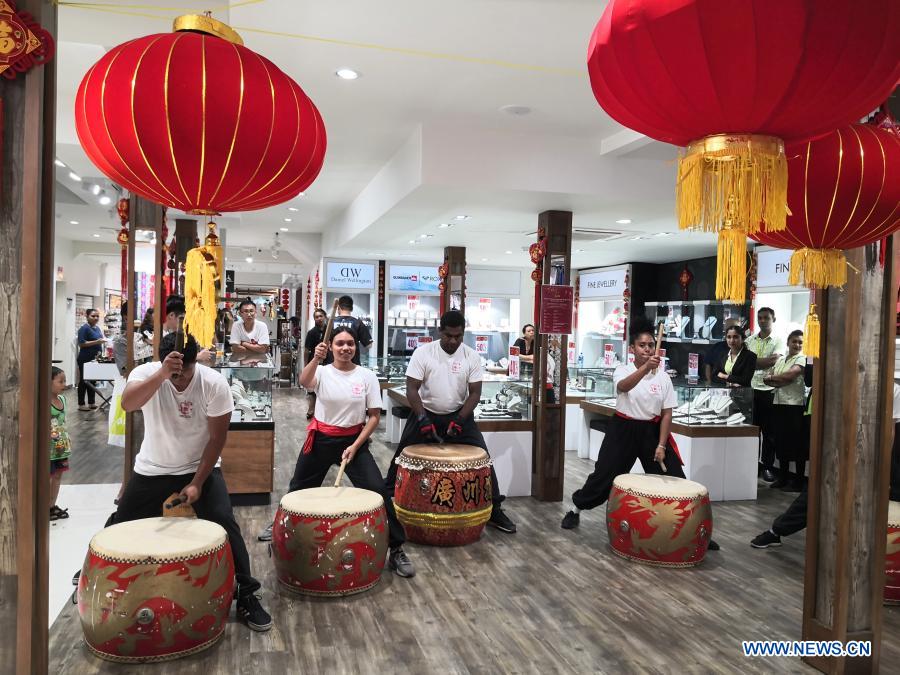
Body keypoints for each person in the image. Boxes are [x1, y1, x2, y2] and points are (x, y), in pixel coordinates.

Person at [109, 332, 272, 632]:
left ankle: (247, 592)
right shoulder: (146, 374)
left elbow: (217, 438)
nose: (180, 380)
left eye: (186, 373)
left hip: (200, 467)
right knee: (122, 522)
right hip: (153, 468)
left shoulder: (213, 383)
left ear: (196, 362)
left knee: (225, 521)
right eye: (174, 373)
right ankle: (104, 581)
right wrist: (161, 374)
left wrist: (198, 481)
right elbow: (129, 404)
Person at [258, 327, 416, 577]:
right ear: (330, 346)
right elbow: (303, 382)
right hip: (320, 439)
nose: (345, 348)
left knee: (378, 490)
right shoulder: (321, 371)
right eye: (340, 343)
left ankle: (396, 548)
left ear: (356, 347)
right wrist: (315, 358)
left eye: (350, 343)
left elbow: (374, 416)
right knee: (297, 487)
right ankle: (279, 525)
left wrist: (355, 446)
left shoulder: (366, 376)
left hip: (354, 441)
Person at [560, 318, 720, 550]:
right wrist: (645, 367)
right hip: (623, 430)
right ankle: (576, 509)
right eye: (642, 345)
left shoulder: (663, 378)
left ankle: (694, 530)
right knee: (604, 477)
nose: (647, 349)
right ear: (632, 349)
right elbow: (623, 387)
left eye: (651, 345)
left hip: (652, 432)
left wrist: (662, 445)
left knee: (674, 478)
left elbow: (666, 414)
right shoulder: (622, 369)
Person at [383, 310, 517, 534]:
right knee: (401, 457)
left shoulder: (471, 356)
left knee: (484, 458)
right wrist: (422, 418)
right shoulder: (423, 353)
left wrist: (460, 420)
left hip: (459, 414)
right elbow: (412, 389)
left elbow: (475, 393)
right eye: (448, 336)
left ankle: (495, 508)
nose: (453, 341)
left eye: (458, 336)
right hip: (425, 412)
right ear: (440, 332)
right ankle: (386, 503)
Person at [764, 330, 806, 491]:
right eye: (794, 341)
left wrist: (776, 380)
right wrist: (777, 380)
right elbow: (768, 377)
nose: (797, 345)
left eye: (800, 342)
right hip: (778, 403)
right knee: (780, 443)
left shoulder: (801, 359)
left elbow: (789, 376)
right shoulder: (781, 360)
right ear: (788, 342)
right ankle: (783, 478)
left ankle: (798, 482)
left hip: (794, 406)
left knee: (796, 444)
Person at [746, 307, 784, 483]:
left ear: (773, 319)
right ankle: (752, 466)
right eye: (760, 318)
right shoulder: (749, 340)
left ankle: (768, 467)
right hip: (751, 391)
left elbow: (773, 361)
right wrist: (758, 363)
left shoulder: (778, 340)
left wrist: (752, 363)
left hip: (770, 391)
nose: (762, 320)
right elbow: (744, 363)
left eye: (766, 318)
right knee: (753, 432)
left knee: (769, 433)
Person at [324, 296, 373, 366]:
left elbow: (324, 343)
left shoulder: (330, 323)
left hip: (333, 364)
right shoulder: (358, 323)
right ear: (352, 308)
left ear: (338, 308)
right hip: (353, 363)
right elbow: (369, 345)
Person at [49, 367, 72, 521]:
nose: (64, 384)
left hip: (61, 447)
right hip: (48, 448)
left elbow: (63, 422)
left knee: (58, 476)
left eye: (64, 381)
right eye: (60, 381)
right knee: (47, 477)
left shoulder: (63, 400)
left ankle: (51, 506)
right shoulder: (44, 402)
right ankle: (42, 506)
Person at [76, 308, 105, 411]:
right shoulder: (84, 329)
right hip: (85, 358)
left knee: (92, 381)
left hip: (95, 359)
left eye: (97, 316)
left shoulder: (97, 328)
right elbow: (82, 343)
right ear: (87, 316)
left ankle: (91, 402)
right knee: (84, 381)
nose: (96, 318)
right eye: (93, 316)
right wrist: (97, 342)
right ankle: (81, 404)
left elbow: (100, 340)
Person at [304, 308, 328, 419]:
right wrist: (305, 365)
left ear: (325, 317)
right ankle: (311, 409)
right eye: (316, 317)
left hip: (328, 363)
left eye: (320, 316)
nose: (319, 318)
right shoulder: (311, 333)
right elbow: (306, 350)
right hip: (314, 364)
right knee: (312, 389)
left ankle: (323, 411)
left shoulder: (331, 331)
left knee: (325, 387)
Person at [703, 317, 740, 383]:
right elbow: (708, 364)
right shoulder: (717, 347)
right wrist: (709, 381)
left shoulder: (744, 348)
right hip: (718, 385)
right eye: (728, 329)